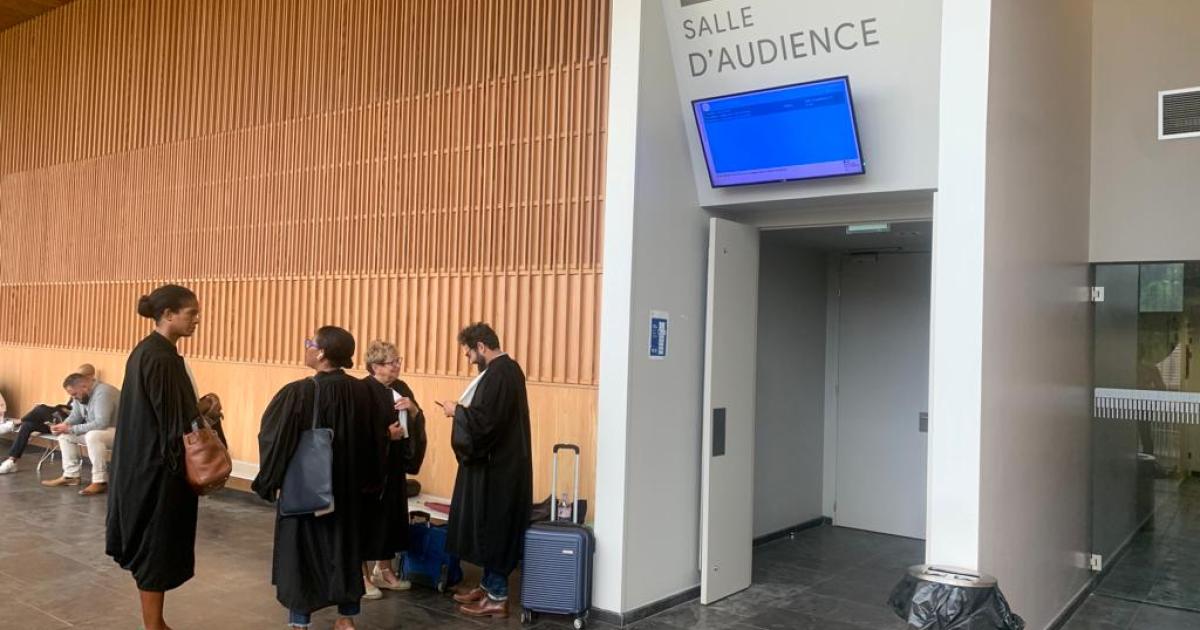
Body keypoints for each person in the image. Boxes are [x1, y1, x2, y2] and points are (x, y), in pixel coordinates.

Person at [253, 326, 382, 630]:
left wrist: (270, 481)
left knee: (303, 552)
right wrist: (368, 483)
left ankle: (300, 620)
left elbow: (275, 440)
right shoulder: (365, 391)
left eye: (310, 342)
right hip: (349, 491)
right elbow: (376, 441)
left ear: (321, 353)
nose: (307, 346)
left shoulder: (300, 392)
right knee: (345, 549)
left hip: (307, 489)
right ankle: (345, 618)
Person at [105, 284, 204, 630]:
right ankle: (154, 626)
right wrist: (203, 414)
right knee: (155, 546)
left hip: (143, 463)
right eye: (191, 314)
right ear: (168, 315)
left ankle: (156, 622)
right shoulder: (160, 357)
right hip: (158, 469)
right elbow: (172, 421)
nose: (196, 320)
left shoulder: (148, 351)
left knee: (153, 545)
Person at [436, 322, 533, 619]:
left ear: (481, 346)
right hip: (502, 464)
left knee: (494, 527)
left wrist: (456, 411)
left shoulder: (499, 374)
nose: (469, 360)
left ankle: (497, 597)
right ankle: (488, 586)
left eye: (468, 353)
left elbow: (486, 423)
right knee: (491, 526)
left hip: (498, 468)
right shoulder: (505, 371)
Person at [359, 340, 429, 598]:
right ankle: (360, 576)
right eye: (392, 362)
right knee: (366, 521)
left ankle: (385, 569)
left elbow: (416, 423)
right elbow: (357, 432)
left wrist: (414, 410)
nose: (398, 366)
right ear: (376, 366)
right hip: (369, 470)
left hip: (394, 465)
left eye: (398, 361)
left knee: (390, 518)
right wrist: (386, 435)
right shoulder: (361, 391)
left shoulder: (401, 388)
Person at [0, 364, 97, 475]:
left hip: (74, 426)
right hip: (63, 421)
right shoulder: (76, 387)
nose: (77, 380)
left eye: (81, 376)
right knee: (28, 425)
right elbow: (72, 408)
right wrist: (63, 409)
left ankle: (15, 423)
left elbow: (84, 415)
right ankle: (11, 461)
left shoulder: (93, 391)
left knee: (41, 408)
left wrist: (68, 413)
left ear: (90, 376)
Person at [41, 372, 120, 495]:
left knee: (93, 435)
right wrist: (62, 426)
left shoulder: (104, 392)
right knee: (65, 435)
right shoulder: (82, 396)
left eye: (74, 394)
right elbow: (76, 416)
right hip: (103, 432)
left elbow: (101, 423)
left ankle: (100, 481)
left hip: (121, 433)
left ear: (84, 387)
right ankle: (71, 476)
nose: (74, 398)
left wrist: (71, 429)